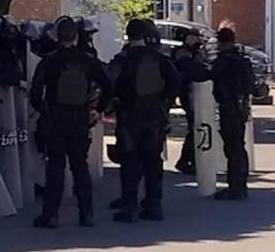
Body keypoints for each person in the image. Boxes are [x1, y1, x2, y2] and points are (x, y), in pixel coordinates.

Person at [30, 16, 113, 228]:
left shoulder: (49, 61)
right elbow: (108, 87)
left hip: (56, 120)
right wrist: (97, 109)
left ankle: (51, 215)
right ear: (76, 37)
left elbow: (36, 93)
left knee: (55, 169)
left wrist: (45, 111)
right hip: (80, 120)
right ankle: (87, 214)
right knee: (80, 168)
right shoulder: (88, 61)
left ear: (57, 36)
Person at [108, 19, 180, 222]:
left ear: (128, 36)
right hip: (154, 115)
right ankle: (154, 205)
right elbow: (175, 82)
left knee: (130, 162)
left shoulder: (123, 59)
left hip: (129, 116)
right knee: (153, 162)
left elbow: (109, 81)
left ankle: (129, 207)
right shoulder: (160, 59)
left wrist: (110, 104)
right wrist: (164, 102)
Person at [209, 27, 254, 200]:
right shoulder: (242, 59)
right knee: (239, 146)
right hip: (242, 106)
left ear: (221, 42)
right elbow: (250, 85)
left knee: (232, 147)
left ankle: (234, 186)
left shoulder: (224, 60)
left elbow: (210, 74)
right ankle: (241, 184)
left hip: (229, 106)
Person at [173, 27, 208, 175]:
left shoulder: (196, 52)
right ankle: (186, 160)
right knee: (195, 126)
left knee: (196, 126)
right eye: (195, 37)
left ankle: (190, 159)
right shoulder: (182, 52)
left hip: (198, 92)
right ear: (188, 38)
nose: (198, 40)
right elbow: (188, 67)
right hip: (188, 93)